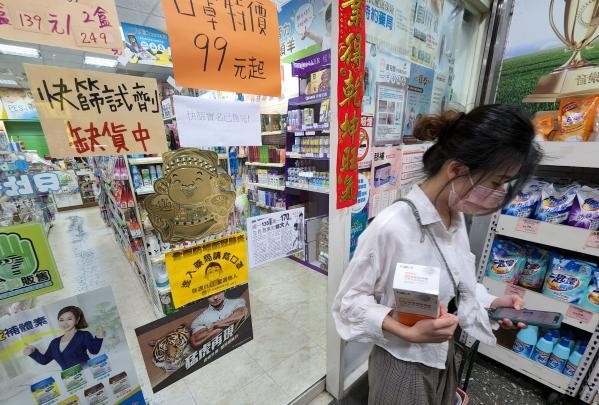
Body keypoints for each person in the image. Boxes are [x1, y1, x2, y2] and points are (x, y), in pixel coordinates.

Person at [332, 105, 542, 405]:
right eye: (496, 182)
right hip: (401, 365)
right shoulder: (391, 227)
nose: (499, 193)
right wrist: (407, 332)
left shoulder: (456, 217)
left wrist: (493, 304)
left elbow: (458, 282)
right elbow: (349, 303)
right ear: (455, 170)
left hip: (443, 354)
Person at [24, 306, 104, 371]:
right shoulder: (54, 343)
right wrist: (33, 352)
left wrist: (99, 337)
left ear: (77, 320)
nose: (64, 323)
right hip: (69, 379)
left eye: (69, 319)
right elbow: (44, 360)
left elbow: (94, 351)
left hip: (87, 372)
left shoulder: (83, 335)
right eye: (61, 320)